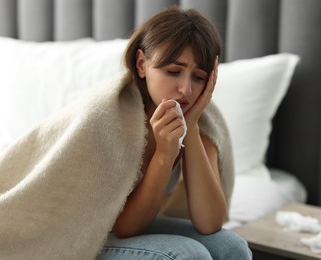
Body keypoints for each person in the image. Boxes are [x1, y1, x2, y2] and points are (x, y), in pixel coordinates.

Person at [96, 6, 252, 260]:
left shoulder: (204, 120)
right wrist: (164, 155)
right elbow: (124, 228)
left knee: (232, 248)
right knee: (188, 255)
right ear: (142, 64)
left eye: (199, 77)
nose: (186, 90)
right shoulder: (110, 117)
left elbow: (210, 223)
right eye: (173, 71)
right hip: (87, 236)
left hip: (128, 230)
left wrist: (190, 129)